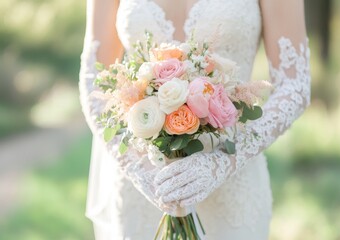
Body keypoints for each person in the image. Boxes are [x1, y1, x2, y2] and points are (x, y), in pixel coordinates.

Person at [79, 0, 311, 239]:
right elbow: (94, 80)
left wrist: (221, 163)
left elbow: (294, 85)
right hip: (142, 187)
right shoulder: (141, 171)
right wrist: (139, 168)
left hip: (232, 183)